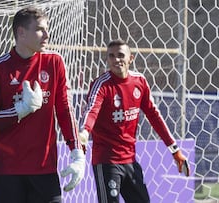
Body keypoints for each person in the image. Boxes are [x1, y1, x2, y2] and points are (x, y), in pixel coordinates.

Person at [0, 6, 85, 203]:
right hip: (7, 173)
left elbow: (64, 110)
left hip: (45, 171)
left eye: (47, 28)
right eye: (40, 29)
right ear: (21, 33)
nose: (47, 34)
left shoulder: (54, 63)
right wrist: (20, 110)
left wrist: (77, 152)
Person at [79, 39, 190, 203]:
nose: (116, 59)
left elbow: (154, 115)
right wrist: (84, 132)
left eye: (121, 55)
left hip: (130, 160)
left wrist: (174, 149)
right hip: (107, 161)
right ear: (107, 59)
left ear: (131, 58)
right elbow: (92, 110)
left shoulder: (139, 82)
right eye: (111, 56)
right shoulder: (101, 85)